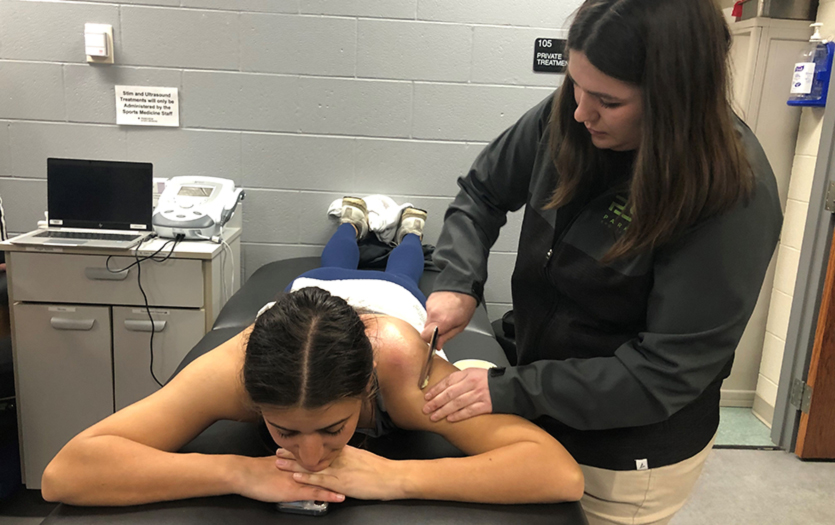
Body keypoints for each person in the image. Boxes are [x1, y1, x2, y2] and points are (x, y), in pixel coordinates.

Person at [419, 1, 783, 524]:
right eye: (575, 85)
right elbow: (481, 192)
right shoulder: (571, 113)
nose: (578, 112)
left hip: (628, 451)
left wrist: (512, 390)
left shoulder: (729, 196)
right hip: (542, 397)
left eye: (608, 101)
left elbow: (661, 376)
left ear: (674, 100)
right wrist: (458, 280)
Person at [40, 197, 583, 507]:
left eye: (332, 429)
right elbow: (66, 473)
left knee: (402, 268)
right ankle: (350, 222)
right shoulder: (234, 369)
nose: (310, 457)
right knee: (334, 257)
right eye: (284, 431)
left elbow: (556, 472)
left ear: (364, 391)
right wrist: (238, 472)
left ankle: (412, 230)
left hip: (391, 307)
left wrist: (399, 478)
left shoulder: (398, 369)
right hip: (310, 291)